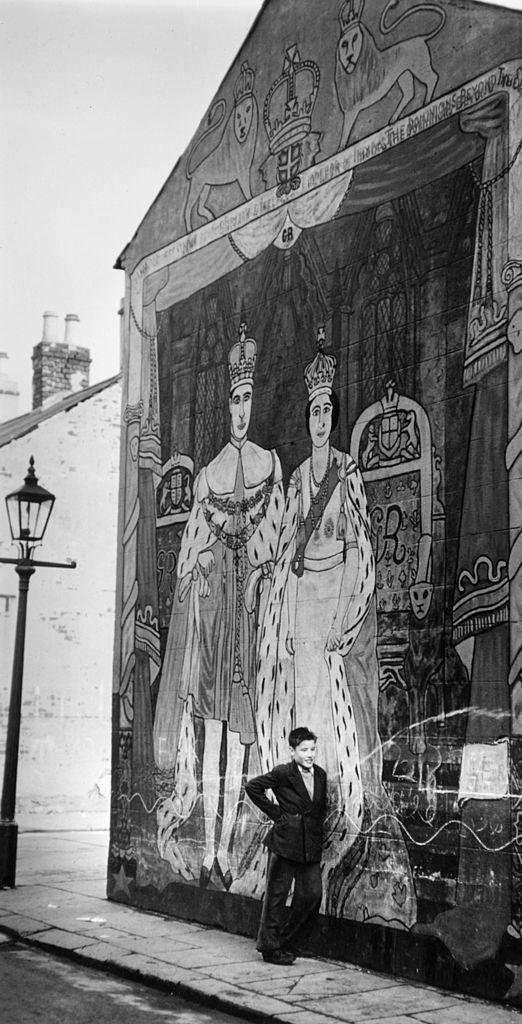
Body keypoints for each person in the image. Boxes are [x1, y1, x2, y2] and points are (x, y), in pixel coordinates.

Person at [249, 327, 417, 927]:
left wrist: (346, 616)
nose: (320, 420)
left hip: (334, 600)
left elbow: (357, 548)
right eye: (314, 411)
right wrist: (277, 600)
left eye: (327, 411)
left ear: (335, 416)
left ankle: (333, 809)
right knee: (299, 702)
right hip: (302, 602)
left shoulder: (344, 475)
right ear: (306, 415)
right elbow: (284, 543)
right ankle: (300, 811)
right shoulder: (297, 480)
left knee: (326, 705)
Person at [153, 324, 284, 886]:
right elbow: (189, 558)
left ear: (254, 402)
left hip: (247, 625)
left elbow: (276, 548)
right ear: (225, 404)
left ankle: (230, 847)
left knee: (237, 741)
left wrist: (254, 575)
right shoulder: (206, 477)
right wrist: (202, 565)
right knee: (210, 741)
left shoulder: (268, 466)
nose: (240, 409)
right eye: (234, 399)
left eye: (247, 398)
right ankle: (208, 848)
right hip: (212, 626)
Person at [246, 726, 326, 964]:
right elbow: (253, 787)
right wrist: (278, 815)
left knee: (312, 894)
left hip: (309, 845)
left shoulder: (320, 775)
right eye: (304, 750)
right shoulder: (283, 773)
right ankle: (269, 948)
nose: (309, 754)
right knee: (276, 897)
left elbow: (319, 808)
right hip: (285, 843)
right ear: (292, 751)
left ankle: (288, 942)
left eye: (312, 749)